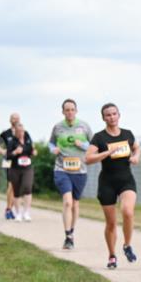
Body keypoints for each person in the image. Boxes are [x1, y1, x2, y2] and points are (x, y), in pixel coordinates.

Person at [86, 103, 140, 269]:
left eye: (114, 114)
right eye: (108, 115)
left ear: (119, 115)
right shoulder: (99, 137)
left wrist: (136, 156)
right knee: (111, 223)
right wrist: (106, 153)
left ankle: (127, 245)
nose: (111, 117)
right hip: (107, 182)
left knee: (128, 211)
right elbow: (88, 159)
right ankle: (112, 255)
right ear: (103, 118)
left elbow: (137, 148)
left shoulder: (127, 134)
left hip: (126, 180)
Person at [49, 98, 94, 250]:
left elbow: (94, 146)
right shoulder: (57, 127)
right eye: (67, 110)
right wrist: (52, 149)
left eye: (72, 109)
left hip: (80, 170)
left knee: (75, 204)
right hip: (61, 168)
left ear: (76, 111)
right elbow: (51, 143)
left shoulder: (84, 126)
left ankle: (71, 232)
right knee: (67, 202)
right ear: (63, 112)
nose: (69, 112)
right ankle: (68, 236)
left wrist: (83, 145)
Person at [0, 113, 24, 220]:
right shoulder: (6, 133)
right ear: (10, 120)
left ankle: (10, 209)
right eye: (13, 118)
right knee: (11, 184)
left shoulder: (22, 132)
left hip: (19, 162)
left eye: (17, 118)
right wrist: (3, 151)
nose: (15, 120)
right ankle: (8, 209)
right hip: (8, 161)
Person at [5, 123, 36, 221]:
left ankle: (26, 212)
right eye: (19, 132)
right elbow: (7, 156)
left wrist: (34, 152)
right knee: (16, 191)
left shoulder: (27, 139)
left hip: (27, 168)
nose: (21, 133)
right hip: (15, 169)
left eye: (22, 131)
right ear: (15, 132)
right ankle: (18, 213)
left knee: (28, 187)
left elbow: (31, 150)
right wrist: (15, 152)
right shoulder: (12, 142)